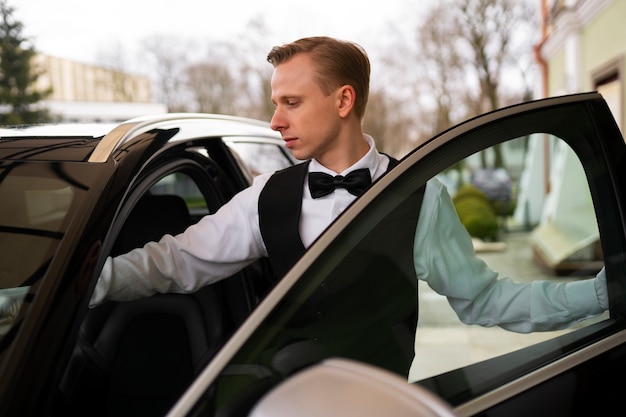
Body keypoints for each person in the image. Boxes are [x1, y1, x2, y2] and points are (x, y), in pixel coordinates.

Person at [89, 36, 608, 338]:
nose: (274, 120)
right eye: (275, 103)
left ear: (343, 101)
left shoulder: (422, 198)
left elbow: (487, 301)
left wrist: (601, 294)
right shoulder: (264, 197)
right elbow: (174, 261)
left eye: (290, 103)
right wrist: (65, 290)